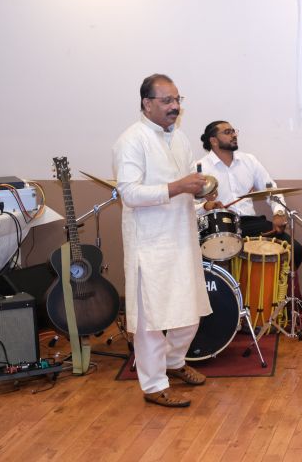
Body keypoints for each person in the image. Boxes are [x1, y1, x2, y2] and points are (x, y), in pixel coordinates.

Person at [113, 74, 216, 407]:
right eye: (167, 101)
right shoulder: (131, 140)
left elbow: (186, 185)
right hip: (150, 243)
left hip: (182, 237)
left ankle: (174, 362)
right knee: (151, 320)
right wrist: (179, 187)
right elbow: (129, 194)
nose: (175, 107)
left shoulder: (180, 138)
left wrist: (200, 194)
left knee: (190, 310)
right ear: (147, 104)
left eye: (177, 100)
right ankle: (154, 384)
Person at [197, 120, 302, 269]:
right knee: (207, 260)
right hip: (221, 227)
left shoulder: (249, 161)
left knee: (295, 251)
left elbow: (271, 189)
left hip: (251, 223)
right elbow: (189, 205)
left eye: (234, 131)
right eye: (227, 132)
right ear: (213, 140)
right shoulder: (200, 167)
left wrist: (279, 212)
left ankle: (278, 285)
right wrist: (206, 205)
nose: (234, 135)